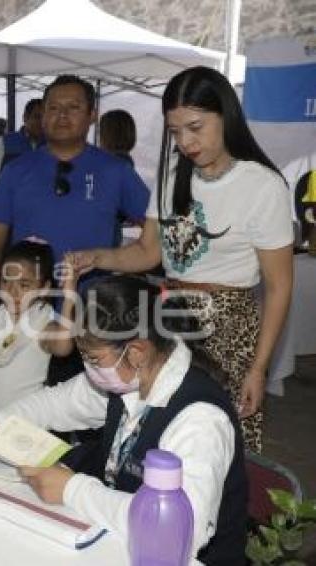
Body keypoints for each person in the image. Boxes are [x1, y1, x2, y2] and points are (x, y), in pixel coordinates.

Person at [69, 66, 294, 453]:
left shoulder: (262, 186)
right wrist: (98, 257)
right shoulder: (172, 175)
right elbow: (148, 252)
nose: (185, 141)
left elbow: (279, 287)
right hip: (170, 318)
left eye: (195, 127)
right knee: (159, 435)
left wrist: (259, 368)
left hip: (227, 327)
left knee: (216, 442)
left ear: (226, 116)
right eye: (175, 132)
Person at [0, 276, 247, 565]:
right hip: (118, 539)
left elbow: (178, 531)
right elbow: (56, 403)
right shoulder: (129, 377)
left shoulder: (200, 421)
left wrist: (72, 490)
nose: (88, 369)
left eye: (93, 359)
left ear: (136, 351)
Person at [0, 75, 149, 387]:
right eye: (53, 107)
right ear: (42, 114)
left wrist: (116, 263)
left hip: (94, 315)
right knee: (19, 401)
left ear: (92, 115)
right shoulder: (17, 170)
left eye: (73, 107)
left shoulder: (115, 171)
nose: (62, 115)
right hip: (27, 312)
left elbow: (154, 234)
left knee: (90, 406)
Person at [0, 240, 76, 409]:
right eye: (5, 282)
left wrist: (69, 297)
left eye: (24, 285)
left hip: (23, 421)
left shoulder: (43, 323)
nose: (12, 292)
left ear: (44, 288)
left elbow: (63, 347)